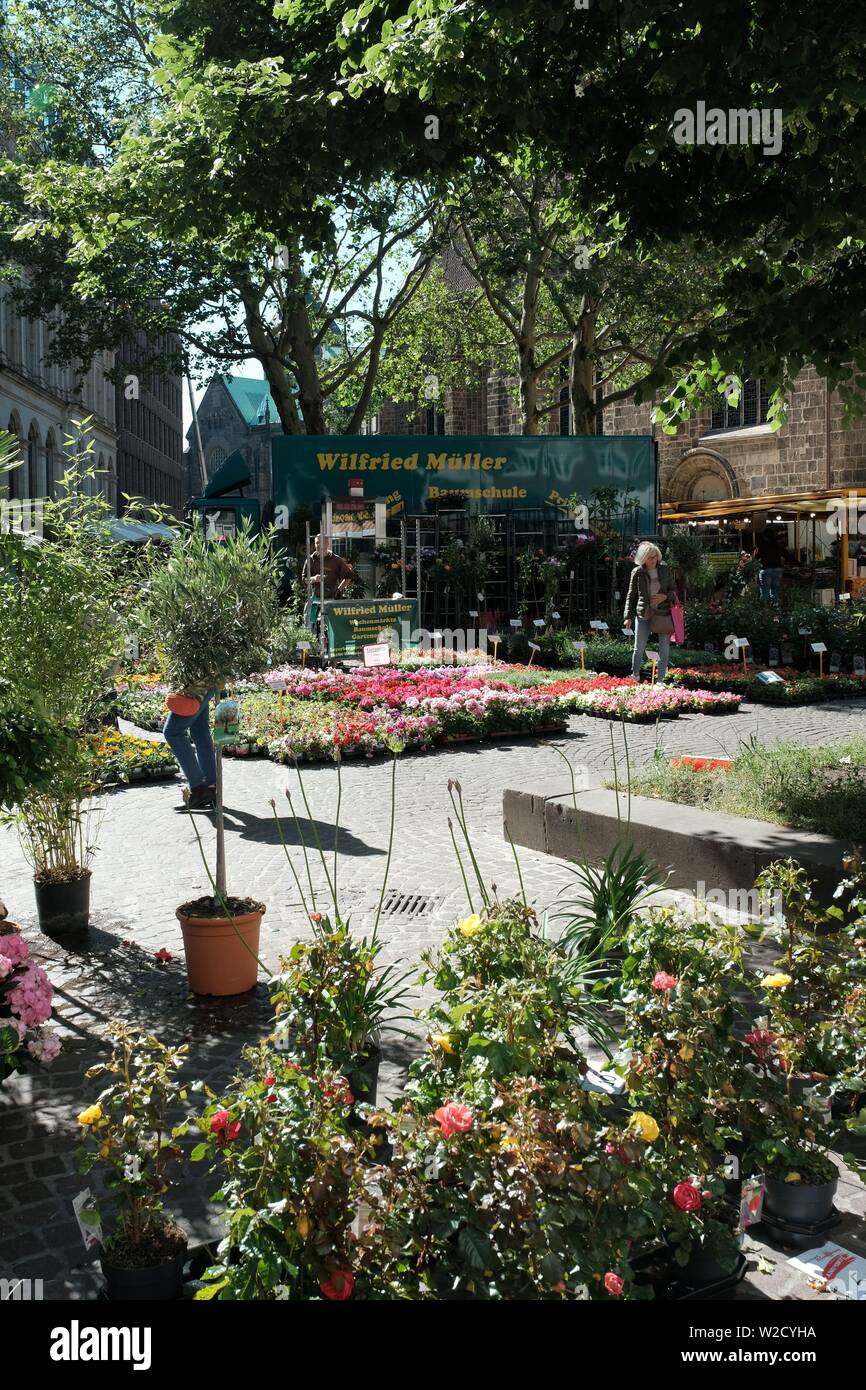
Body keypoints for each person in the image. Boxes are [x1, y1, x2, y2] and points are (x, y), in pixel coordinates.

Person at [623, 542, 678, 681]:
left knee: (664, 648)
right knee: (638, 647)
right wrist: (627, 617)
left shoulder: (664, 569)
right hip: (644, 613)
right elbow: (631, 595)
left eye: (654, 557)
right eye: (649, 557)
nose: (653, 560)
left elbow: (674, 590)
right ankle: (635, 675)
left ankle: (660, 680)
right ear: (643, 558)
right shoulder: (637, 572)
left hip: (663, 613)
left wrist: (665, 596)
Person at [163, 687, 218, 810]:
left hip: (197, 681)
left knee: (172, 732)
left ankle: (199, 788)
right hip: (207, 679)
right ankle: (210, 788)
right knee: (199, 729)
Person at [303, 534, 353, 600]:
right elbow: (304, 579)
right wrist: (314, 578)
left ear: (327, 544)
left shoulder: (336, 560)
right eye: (317, 543)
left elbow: (349, 576)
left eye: (321, 543)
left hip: (331, 599)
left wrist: (338, 590)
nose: (319, 545)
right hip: (314, 599)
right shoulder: (310, 560)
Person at [753, 529, 786, 601]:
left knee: (765, 590)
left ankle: (765, 608)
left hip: (766, 569)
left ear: (765, 536)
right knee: (775, 591)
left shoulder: (762, 545)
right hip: (777, 569)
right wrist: (798, 563)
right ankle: (775, 607)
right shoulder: (778, 544)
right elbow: (786, 555)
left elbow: (757, 558)